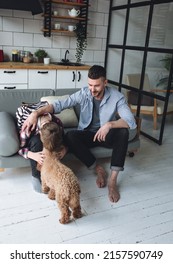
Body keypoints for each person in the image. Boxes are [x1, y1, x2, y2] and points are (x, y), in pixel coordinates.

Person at [21, 65, 137, 202]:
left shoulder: (117, 97)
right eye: (90, 85)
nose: (92, 90)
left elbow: (131, 121)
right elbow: (58, 105)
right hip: (87, 135)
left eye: (97, 86)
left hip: (106, 134)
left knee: (122, 132)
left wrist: (110, 124)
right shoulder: (84, 93)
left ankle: (112, 182)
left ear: (105, 83)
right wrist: (35, 113)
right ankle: (97, 169)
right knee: (71, 136)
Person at [17, 110, 66, 192]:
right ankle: (36, 176)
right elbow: (19, 149)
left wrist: (65, 148)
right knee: (36, 142)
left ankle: (52, 173)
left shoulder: (58, 126)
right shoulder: (26, 130)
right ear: (39, 132)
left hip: (51, 135)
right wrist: (32, 155)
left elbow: (63, 140)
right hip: (33, 139)